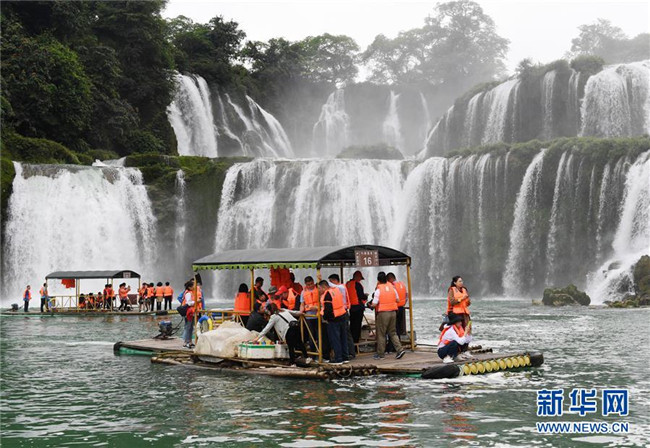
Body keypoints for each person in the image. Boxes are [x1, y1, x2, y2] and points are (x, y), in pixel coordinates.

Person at [368, 272, 406, 360]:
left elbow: (374, 303)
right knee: (393, 332)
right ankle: (400, 349)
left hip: (383, 313)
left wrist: (370, 305)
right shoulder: (392, 287)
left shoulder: (378, 290)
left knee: (381, 334)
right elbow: (397, 299)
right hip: (393, 312)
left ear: (378, 280)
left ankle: (380, 354)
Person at [318, 280, 348, 364]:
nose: (319, 290)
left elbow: (328, 308)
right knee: (343, 338)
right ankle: (345, 357)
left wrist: (325, 318)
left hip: (333, 319)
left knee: (335, 339)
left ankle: (338, 358)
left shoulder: (327, 294)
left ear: (324, 287)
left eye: (319, 288)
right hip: (342, 315)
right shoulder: (336, 290)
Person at [328, 274, 355, 359]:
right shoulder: (339, 287)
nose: (330, 284)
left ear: (334, 280)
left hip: (343, 312)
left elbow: (333, 286)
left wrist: (323, 282)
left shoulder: (341, 287)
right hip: (341, 312)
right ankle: (345, 353)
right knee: (343, 334)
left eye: (330, 281)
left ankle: (350, 353)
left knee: (346, 334)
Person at [299, 276, 325, 353]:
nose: (310, 286)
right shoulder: (303, 292)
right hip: (308, 317)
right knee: (311, 335)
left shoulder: (318, 289)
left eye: (311, 284)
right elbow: (302, 304)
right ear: (305, 284)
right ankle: (313, 353)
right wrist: (301, 312)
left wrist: (317, 308)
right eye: (308, 284)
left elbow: (322, 301)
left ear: (313, 282)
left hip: (318, 315)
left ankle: (321, 352)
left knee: (319, 334)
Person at [346, 271, 367, 343]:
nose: (360, 280)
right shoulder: (357, 284)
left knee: (352, 325)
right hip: (358, 307)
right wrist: (366, 296)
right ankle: (356, 342)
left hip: (351, 307)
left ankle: (351, 342)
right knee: (357, 326)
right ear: (357, 277)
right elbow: (361, 296)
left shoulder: (348, 284)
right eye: (360, 278)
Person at [182, 281, 196, 348]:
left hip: (191, 312)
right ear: (190, 287)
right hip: (188, 313)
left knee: (190, 327)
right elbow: (188, 303)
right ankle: (186, 342)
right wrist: (195, 302)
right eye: (193, 285)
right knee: (188, 327)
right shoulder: (188, 293)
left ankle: (190, 341)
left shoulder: (191, 293)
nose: (194, 287)